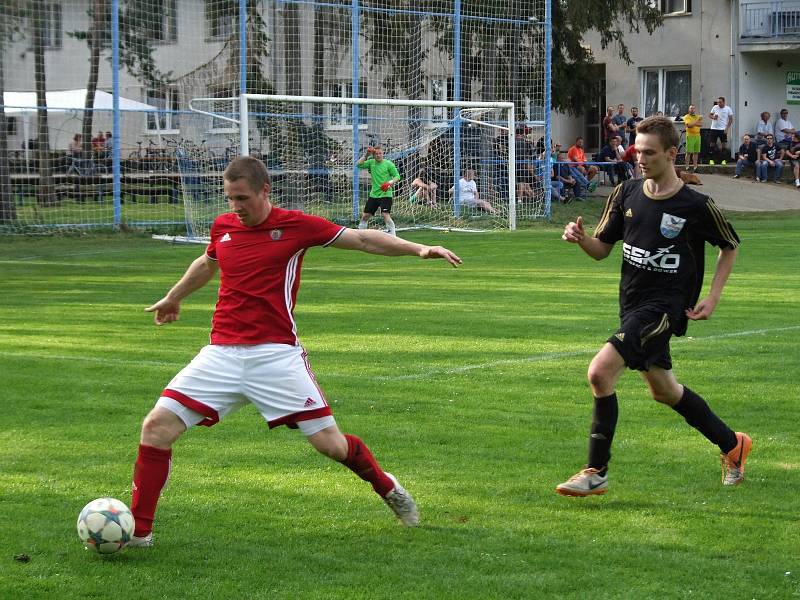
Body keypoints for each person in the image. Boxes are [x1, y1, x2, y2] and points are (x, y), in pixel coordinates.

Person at [127, 156, 463, 547]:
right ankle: (139, 532)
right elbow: (207, 261)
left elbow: (363, 238)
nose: (235, 207)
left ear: (264, 191)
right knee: (156, 428)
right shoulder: (224, 226)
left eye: (243, 198)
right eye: (230, 198)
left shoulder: (296, 225)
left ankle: (387, 487)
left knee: (331, 446)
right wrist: (173, 297)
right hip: (221, 354)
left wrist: (419, 248)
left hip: (276, 356)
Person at [557, 116, 750, 498]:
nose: (639, 157)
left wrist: (712, 297)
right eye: (636, 150)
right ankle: (733, 444)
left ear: (671, 153)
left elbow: (729, 245)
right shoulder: (626, 193)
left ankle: (596, 471)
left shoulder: (695, 204)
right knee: (665, 391)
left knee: (599, 373)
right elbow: (601, 251)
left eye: (648, 152)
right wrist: (579, 239)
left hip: (665, 309)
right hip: (631, 305)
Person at [357, 146, 400, 236]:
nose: (378, 155)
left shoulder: (388, 164)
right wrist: (366, 155)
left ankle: (393, 236)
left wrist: (389, 183)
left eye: (380, 153)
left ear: (383, 154)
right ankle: (361, 235)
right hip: (374, 195)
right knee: (365, 216)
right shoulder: (371, 163)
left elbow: (397, 176)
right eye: (376, 154)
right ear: (373, 155)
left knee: (385, 215)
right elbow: (359, 165)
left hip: (386, 194)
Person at [708, 97, 734, 163]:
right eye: (718, 102)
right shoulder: (715, 107)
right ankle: (711, 160)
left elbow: (731, 119)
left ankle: (724, 160)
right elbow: (710, 115)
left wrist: (727, 128)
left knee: (724, 144)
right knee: (712, 144)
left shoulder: (728, 109)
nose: (718, 103)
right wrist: (713, 117)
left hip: (722, 129)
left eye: (720, 102)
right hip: (714, 128)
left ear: (724, 102)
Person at [682, 105, 702, 172]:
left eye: (693, 108)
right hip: (690, 136)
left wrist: (694, 123)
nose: (692, 109)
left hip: (697, 136)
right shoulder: (687, 116)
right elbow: (689, 125)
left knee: (696, 152)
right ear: (689, 109)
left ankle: (695, 167)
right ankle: (687, 167)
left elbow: (700, 124)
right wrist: (696, 122)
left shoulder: (697, 116)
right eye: (691, 108)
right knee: (689, 152)